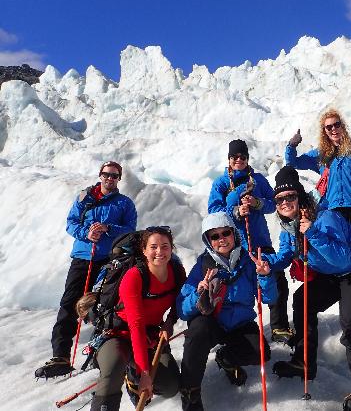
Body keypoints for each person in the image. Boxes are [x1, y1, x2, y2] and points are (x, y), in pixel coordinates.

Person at [264, 166, 351, 411]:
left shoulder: (325, 217)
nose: (285, 202)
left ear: (300, 196)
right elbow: (287, 254)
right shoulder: (288, 226)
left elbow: (341, 258)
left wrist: (313, 232)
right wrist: (268, 265)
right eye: (279, 199)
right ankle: (303, 361)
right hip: (334, 272)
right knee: (302, 300)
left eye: (290, 196)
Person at [35, 161, 137, 378]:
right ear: (100, 175)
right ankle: (61, 355)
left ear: (119, 179)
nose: (110, 179)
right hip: (83, 257)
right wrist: (86, 233)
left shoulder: (124, 204)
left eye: (115, 176)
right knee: (70, 302)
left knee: (105, 305)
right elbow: (71, 223)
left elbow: (130, 229)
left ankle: (100, 353)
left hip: (111, 260)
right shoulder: (84, 198)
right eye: (107, 175)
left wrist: (108, 229)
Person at [177, 212, 276, 411]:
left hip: (240, 323)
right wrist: (198, 295)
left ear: (234, 234)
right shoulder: (201, 267)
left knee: (261, 353)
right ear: (208, 240)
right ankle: (190, 392)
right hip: (211, 322)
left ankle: (226, 358)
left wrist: (265, 277)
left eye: (226, 233)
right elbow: (182, 310)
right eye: (215, 236)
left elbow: (269, 298)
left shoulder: (250, 262)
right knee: (197, 332)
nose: (222, 239)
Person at [89, 226, 185, 410]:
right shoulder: (134, 276)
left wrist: (169, 323)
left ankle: (133, 376)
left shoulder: (177, 272)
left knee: (170, 386)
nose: (160, 252)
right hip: (118, 333)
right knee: (112, 371)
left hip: (149, 334)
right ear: (144, 250)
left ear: (172, 248)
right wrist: (145, 373)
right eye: (153, 247)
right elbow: (136, 325)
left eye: (165, 246)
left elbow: (179, 302)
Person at [208, 139, 292, 344]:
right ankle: (232, 330)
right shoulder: (221, 183)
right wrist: (235, 211)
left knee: (276, 278)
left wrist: (257, 203)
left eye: (242, 156)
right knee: (238, 287)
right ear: (229, 159)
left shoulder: (258, 180)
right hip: (234, 245)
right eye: (235, 156)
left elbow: (273, 204)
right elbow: (213, 212)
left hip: (260, 240)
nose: (239, 160)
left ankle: (279, 326)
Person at [285, 108, 351, 232]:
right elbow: (293, 163)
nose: (334, 129)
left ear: (342, 126)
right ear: (324, 131)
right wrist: (292, 146)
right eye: (329, 127)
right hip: (333, 208)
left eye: (337, 125)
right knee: (339, 249)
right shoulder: (320, 154)